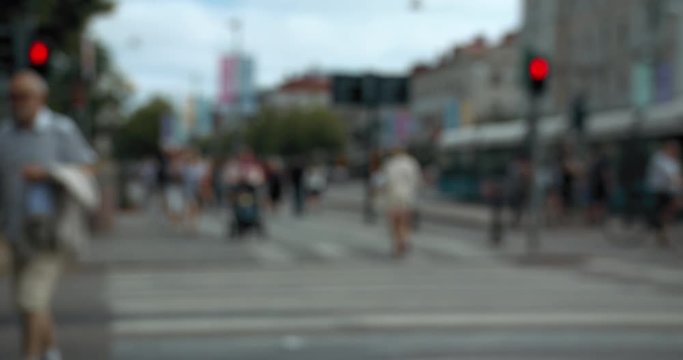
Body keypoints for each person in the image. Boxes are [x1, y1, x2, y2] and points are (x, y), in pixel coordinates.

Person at [0, 70, 97, 360]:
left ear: (41, 98)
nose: (18, 102)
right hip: (15, 231)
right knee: (30, 301)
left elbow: (88, 167)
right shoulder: (5, 134)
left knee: (30, 299)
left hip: (52, 231)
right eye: (13, 96)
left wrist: (49, 173)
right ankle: (51, 349)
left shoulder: (60, 130)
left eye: (24, 96)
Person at [379, 147, 421, 258]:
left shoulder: (390, 164)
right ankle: (404, 239)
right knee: (405, 221)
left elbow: (385, 181)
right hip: (407, 197)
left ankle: (398, 244)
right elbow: (417, 180)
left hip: (392, 196)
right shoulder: (411, 162)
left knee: (394, 223)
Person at [646, 140, 682, 247]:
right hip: (659, 190)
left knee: (669, 210)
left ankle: (662, 229)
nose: (675, 152)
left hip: (669, 190)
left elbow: (677, 176)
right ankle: (659, 228)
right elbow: (672, 175)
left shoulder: (672, 160)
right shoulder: (660, 158)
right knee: (667, 210)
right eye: (673, 149)